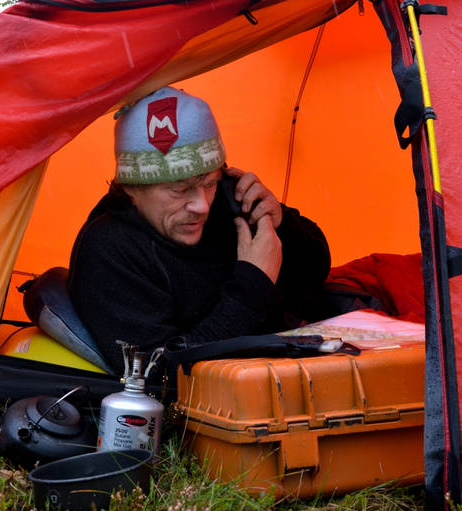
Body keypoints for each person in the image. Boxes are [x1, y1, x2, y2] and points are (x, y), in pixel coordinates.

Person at [67, 86, 331, 375]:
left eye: (209, 182)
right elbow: (158, 375)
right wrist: (253, 286)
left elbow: (316, 272)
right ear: (131, 188)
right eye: (180, 189)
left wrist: (281, 224)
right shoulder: (108, 251)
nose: (202, 205)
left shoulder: (228, 201)